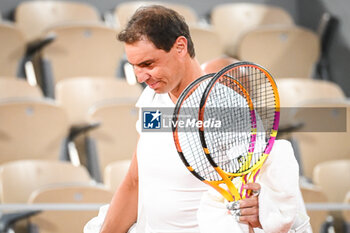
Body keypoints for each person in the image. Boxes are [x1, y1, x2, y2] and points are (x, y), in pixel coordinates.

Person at [87, 5, 310, 233]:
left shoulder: (228, 108)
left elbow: (252, 194)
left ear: (180, 47)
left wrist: (258, 207)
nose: (141, 76)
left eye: (148, 64)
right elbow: (135, 181)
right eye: (134, 66)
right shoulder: (151, 99)